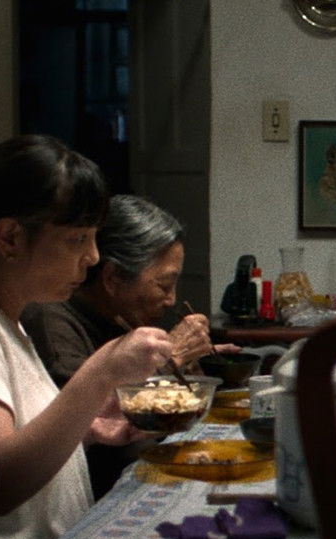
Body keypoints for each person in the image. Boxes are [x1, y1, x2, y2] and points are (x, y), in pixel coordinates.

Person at [0, 135, 172, 539]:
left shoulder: (6, 317)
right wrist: (100, 373)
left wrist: (86, 426)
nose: (94, 256)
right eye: (77, 239)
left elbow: (15, 433)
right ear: (9, 238)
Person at [21, 194, 234, 498]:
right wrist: (173, 355)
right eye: (164, 285)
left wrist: (190, 363)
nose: (172, 299)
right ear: (113, 277)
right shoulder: (51, 321)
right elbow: (95, 421)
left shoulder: (120, 315)